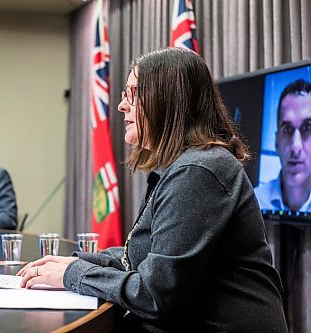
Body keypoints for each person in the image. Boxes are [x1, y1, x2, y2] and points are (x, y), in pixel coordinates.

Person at [18, 48, 287, 332]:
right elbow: (141, 258)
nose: (122, 105)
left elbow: (154, 294)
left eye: (132, 94)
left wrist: (74, 274)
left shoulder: (200, 170)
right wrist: (75, 262)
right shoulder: (186, 165)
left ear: (168, 99)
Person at [254, 79, 311, 212]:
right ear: (276, 142)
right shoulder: (254, 202)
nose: (295, 147)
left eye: (307, 128)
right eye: (287, 130)